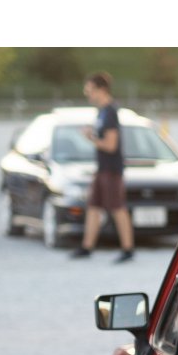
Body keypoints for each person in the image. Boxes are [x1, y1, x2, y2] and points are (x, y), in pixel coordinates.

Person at [70, 72, 134, 261]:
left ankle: (128, 249)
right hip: (102, 168)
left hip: (112, 169)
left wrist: (90, 137)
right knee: (93, 206)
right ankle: (87, 247)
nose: (87, 93)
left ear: (102, 90)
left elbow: (111, 145)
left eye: (90, 90)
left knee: (117, 208)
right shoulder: (101, 112)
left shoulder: (110, 112)